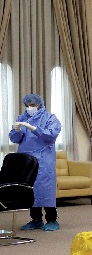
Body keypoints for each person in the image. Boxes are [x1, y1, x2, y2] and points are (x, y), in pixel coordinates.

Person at [9, 94, 62, 231]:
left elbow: (51, 135)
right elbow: (15, 139)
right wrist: (16, 131)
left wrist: (34, 128)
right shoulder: (22, 118)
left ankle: (52, 219)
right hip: (26, 159)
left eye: (32, 105)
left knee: (45, 189)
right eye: (27, 105)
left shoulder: (50, 118)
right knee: (30, 189)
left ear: (39, 105)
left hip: (44, 158)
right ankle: (36, 219)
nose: (29, 108)